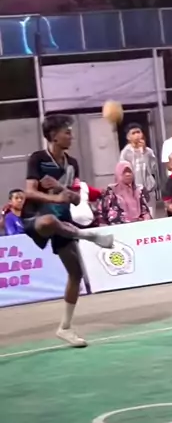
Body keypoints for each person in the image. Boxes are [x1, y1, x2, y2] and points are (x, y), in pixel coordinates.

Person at [22, 114, 114, 348]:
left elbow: (75, 198)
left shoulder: (72, 163)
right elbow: (29, 192)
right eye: (67, 132)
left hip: (64, 221)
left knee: (76, 273)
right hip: (36, 217)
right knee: (48, 221)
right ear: (54, 135)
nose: (72, 136)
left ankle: (65, 327)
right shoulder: (38, 159)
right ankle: (86, 234)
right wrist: (55, 197)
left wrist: (61, 188)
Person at [119, 123, 158, 215]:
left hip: (148, 190)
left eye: (138, 132)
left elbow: (153, 169)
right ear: (128, 137)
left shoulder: (149, 151)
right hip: (133, 191)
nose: (137, 135)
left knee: (151, 215)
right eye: (133, 133)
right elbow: (123, 171)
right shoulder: (125, 152)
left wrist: (144, 151)